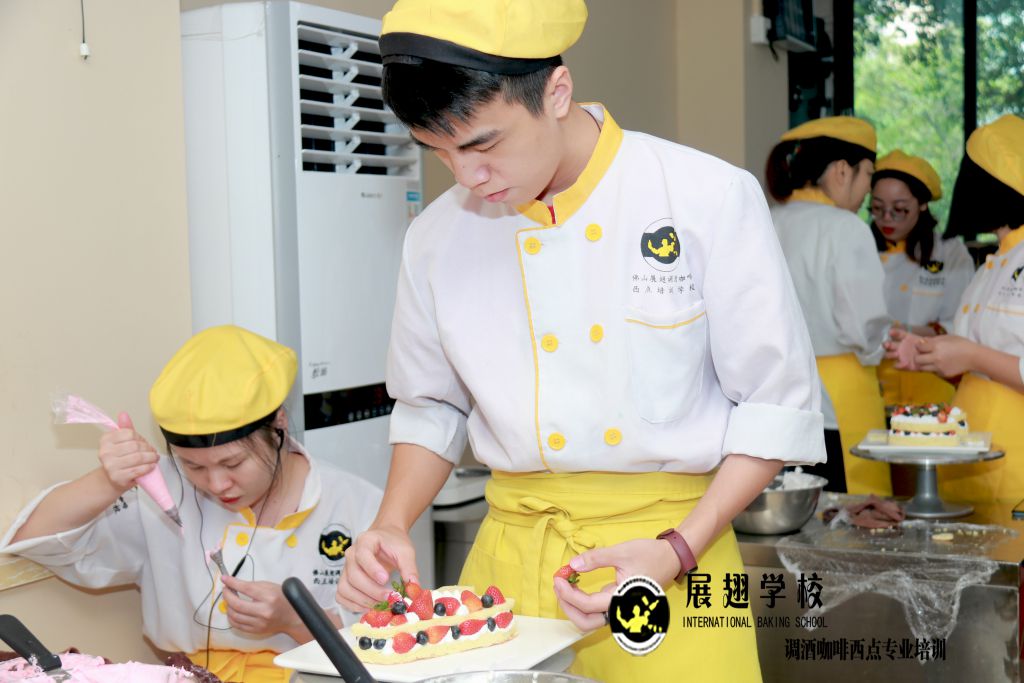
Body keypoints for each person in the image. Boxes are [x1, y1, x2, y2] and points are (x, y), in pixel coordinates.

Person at [335, 2, 826, 681]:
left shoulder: (704, 198)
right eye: (438, 151)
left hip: (671, 559)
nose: (466, 177)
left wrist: (676, 549)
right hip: (509, 574)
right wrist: (392, 521)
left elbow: (774, 406)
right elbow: (431, 405)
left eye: (482, 145)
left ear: (557, 93)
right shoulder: (435, 237)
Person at [0, 325, 382, 683]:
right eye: (194, 466)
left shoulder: (357, 503)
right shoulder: (163, 492)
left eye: (233, 463)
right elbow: (36, 537)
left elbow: (387, 647)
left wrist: (293, 619)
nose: (217, 484)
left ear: (279, 422)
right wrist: (107, 481)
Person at [887, 114, 1024, 504]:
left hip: (1016, 468)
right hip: (969, 456)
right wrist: (933, 355)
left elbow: (987, 357)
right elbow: (979, 366)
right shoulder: (992, 265)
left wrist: (971, 354)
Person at [766, 116, 892, 495]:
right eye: (868, 174)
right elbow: (864, 328)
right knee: (853, 510)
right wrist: (884, 344)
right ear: (841, 171)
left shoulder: (766, 220)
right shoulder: (846, 227)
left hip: (773, 395)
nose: (868, 188)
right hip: (839, 397)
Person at [868, 150, 975, 406]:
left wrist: (906, 331)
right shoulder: (862, 248)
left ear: (923, 204)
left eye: (899, 209)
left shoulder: (950, 253)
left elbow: (960, 324)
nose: (886, 218)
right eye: (877, 208)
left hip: (932, 379)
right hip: (874, 381)